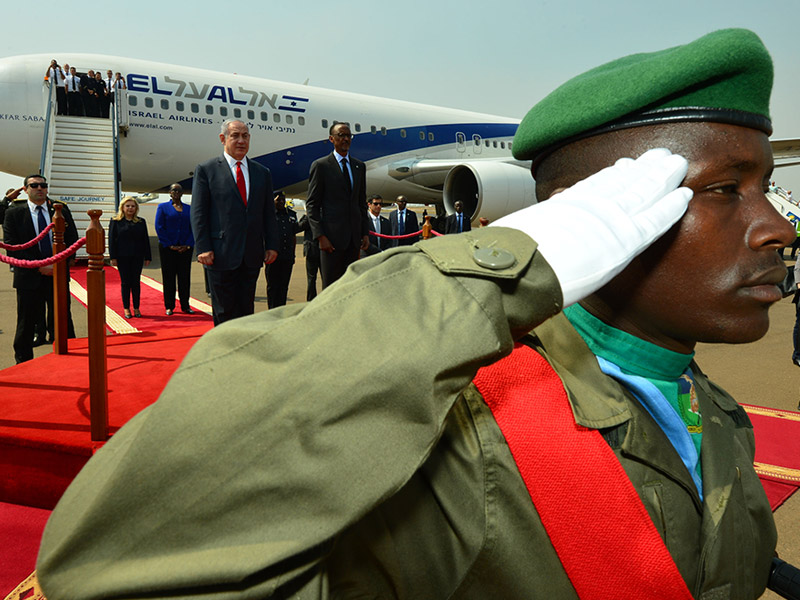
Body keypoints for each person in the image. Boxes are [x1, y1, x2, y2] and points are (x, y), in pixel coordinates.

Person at [37, 29, 789, 600]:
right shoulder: (453, 450)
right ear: (585, 211)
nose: (778, 227)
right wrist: (498, 265)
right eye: (726, 189)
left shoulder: (713, 412)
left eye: (764, 186)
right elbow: (115, 559)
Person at [190, 119, 279, 325]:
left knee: (246, 311)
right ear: (223, 139)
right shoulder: (207, 170)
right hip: (220, 254)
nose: (241, 140)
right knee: (223, 312)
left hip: (251, 254)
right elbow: (199, 213)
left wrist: (272, 245)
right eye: (235, 136)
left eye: (245, 136)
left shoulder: (262, 173)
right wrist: (203, 247)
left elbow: (268, 213)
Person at [3, 175, 78, 363]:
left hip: (57, 275)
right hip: (28, 277)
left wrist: (56, 264)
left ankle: (69, 361)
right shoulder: (14, 213)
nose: (39, 188)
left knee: (62, 321)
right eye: (34, 185)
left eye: (43, 185)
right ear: (26, 189)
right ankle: (23, 363)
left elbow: (72, 239)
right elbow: (12, 246)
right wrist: (40, 266)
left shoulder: (60, 209)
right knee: (26, 324)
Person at [306, 122, 369, 288]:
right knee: (331, 288)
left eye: (348, 136)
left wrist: (365, 233)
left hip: (353, 241)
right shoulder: (321, 166)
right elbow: (312, 205)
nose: (346, 139)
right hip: (330, 242)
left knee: (349, 288)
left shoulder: (359, 167)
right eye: (341, 135)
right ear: (331, 139)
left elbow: (361, 203)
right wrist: (321, 237)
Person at [155, 183, 194, 316]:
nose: (176, 192)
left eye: (178, 190)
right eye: (173, 190)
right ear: (169, 193)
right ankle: (169, 306)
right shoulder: (163, 207)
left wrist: (188, 244)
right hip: (168, 248)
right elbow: (159, 227)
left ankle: (185, 305)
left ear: (182, 193)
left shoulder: (189, 209)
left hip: (185, 249)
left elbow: (193, 228)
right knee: (169, 278)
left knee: (184, 278)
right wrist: (169, 244)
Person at [108, 197, 151, 318]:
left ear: (136, 208)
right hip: (122, 257)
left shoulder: (141, 222)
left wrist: (148, 256)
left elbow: (145, 240)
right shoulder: (115, 221)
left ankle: (136, 308)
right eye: (128, 206)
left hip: (137, 256)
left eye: (132, 206)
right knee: (125, 283)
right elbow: (112, 240)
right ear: (122, 207)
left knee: (136, 282)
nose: (130, 208)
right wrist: (113, 257)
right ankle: (126, 308)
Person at [265, 191, 301, 308]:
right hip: (273, 256)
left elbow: (293, 235)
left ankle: (282, 309)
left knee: (284, 286)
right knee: (272, 286)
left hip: (287, 256)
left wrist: (293, 254)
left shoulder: (291, 214)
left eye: (283, 200)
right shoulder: (268, 215)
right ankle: (272, 309)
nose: (281, 202)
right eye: (278, 200)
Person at [298, 213, 320, 301]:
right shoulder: (326, 212)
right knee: (325, 278)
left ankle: (311, 300)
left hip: (312, 250)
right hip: (322, 250)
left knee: (311, 278)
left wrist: (305, 216)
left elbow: (299, 227)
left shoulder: (310, 216)